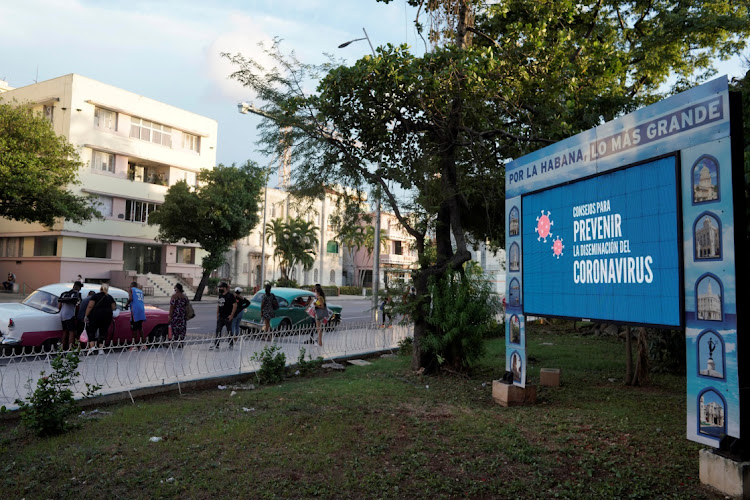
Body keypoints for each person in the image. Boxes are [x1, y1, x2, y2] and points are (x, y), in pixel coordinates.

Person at [84, 284, 116, 355]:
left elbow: (90, 306)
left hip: (95, 316)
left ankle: (92, 348)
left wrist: (86, 315)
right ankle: (101, 349)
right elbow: (113, 307)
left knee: (91, 330)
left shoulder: (95, 296)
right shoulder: (110, 297)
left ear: (100, 288)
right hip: (106, 317)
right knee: (103, 332)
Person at [57, 281, 82, 350]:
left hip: (62, 315)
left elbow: (59, 306)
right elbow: (78, 307)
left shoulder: (64, 293)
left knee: (65, 331)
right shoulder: (77, 294)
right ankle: (70, 349)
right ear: (79, 288)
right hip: (70, 315)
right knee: (71, 332)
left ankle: (62, 348)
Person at [211, 282, 236, 350]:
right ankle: (216, 344)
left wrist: (231, 315)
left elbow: (234, 305)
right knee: (218, 331)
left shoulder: (230, 296)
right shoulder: (220, 295)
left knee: (229, 331)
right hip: (221, 316)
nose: (220, 289)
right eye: (219, 287)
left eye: (221, 287)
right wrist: (217, 314)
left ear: (225, 288)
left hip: (227, 316)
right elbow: (219, 304)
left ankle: (231, 344)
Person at [127, 281, 147, 350]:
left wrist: (127, 304)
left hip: (135, 310)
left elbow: (130, 299)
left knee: (134, 328)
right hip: (141, 310)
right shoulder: (140, 291)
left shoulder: (131, 289)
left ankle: (134, 346)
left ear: (131, 285)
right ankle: (143, 344)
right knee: (140, 327)